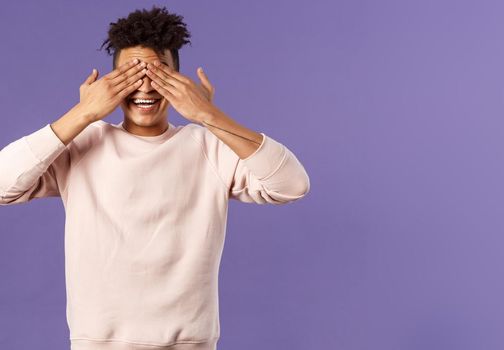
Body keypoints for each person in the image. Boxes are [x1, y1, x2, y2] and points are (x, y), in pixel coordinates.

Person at [0, 6, 310, 350]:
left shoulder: (210, 147)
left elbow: (292, 185)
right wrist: (83, 113)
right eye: (130, 74)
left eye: (158, 73)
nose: (144, 85)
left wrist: (208, 115)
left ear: (180, 81)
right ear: (108, 83)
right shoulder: (83, 144)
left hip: (190, 343)